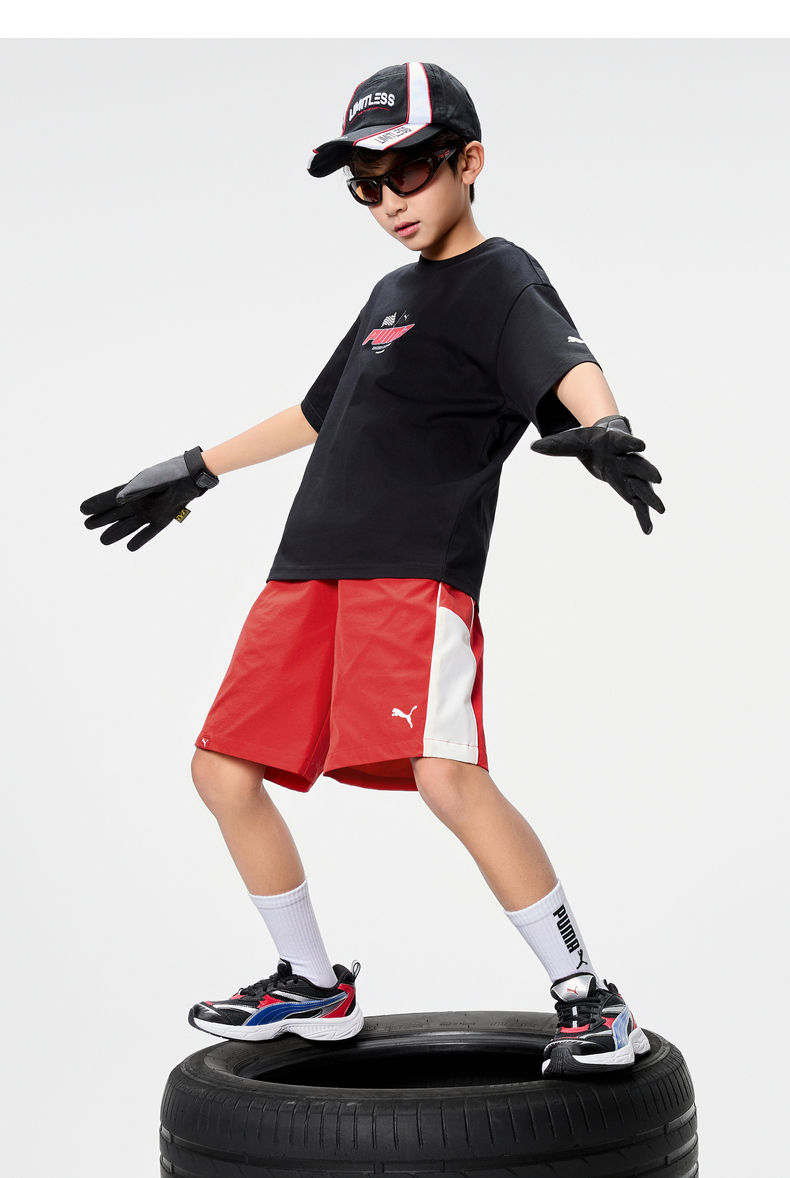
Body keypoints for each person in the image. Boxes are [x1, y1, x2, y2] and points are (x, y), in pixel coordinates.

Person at [80, 61, 663, 1077]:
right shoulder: (391, 293)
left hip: (411, 573)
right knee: (221, 769)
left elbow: (567, 361)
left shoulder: (503, 278)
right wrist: (194, 467)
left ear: (469, 162)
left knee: (447, 777)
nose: (390, 200)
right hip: (306, 569)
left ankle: (588, 995)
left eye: (410, 172)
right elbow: (320, 411)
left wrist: (604, 421)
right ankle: (311, 985)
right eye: (366, 184)